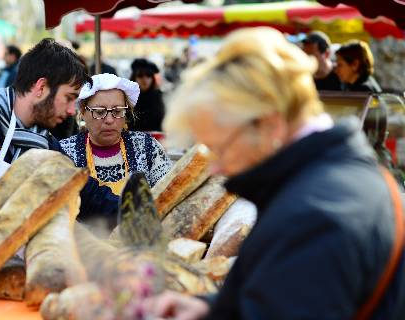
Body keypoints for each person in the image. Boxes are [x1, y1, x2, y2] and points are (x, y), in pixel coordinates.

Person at [143, 27, 405, 319]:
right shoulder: (334, 175)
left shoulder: (314, 216)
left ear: (270, 125)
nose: (216, 168)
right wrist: (211, 309)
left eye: (221, 148)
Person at [0, 39, 118, 271]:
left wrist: (140, 210)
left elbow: (88, 195)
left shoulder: (44, 147)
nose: (70, 111)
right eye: (69, 97)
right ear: (41, 88)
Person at [60, 73, 172, 217]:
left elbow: (169, 195)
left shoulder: (147, 147)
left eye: (117, 111)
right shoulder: (65, 154)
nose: (109, 120)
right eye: (99, 112)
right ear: (82, 111)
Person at [128, 58, 166, 132]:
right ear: (134, 78)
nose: (145, 79)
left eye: (148, 75)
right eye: (140, 75)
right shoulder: (128, 98)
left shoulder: (159, 96)